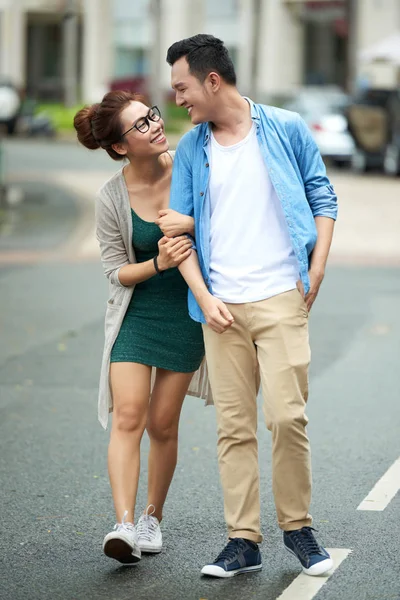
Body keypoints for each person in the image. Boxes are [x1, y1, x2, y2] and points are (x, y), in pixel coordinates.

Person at [163, 34, 338, 578]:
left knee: (287, 417)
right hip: (221, 306)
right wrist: (203, 296)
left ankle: (298, 528)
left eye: (183, 87)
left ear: (213, 80)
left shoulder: (284, 128)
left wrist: (317, 267)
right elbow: (176, 238)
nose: (179, 100)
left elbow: (322, 195)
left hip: (282, 295)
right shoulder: (193, 148)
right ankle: (243, 539)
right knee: (233, 428)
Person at [73, 91, 208, 566]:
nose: (153, 125)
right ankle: (125, 525)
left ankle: (154, 518)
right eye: (140, 125)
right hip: (136, 313)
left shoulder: (190, 168)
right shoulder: (112, 196)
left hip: (186, 314)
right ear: (121, 147)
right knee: (128, 416)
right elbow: (115, 271)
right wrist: (157, 262)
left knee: (162, 423)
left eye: (150, 116)